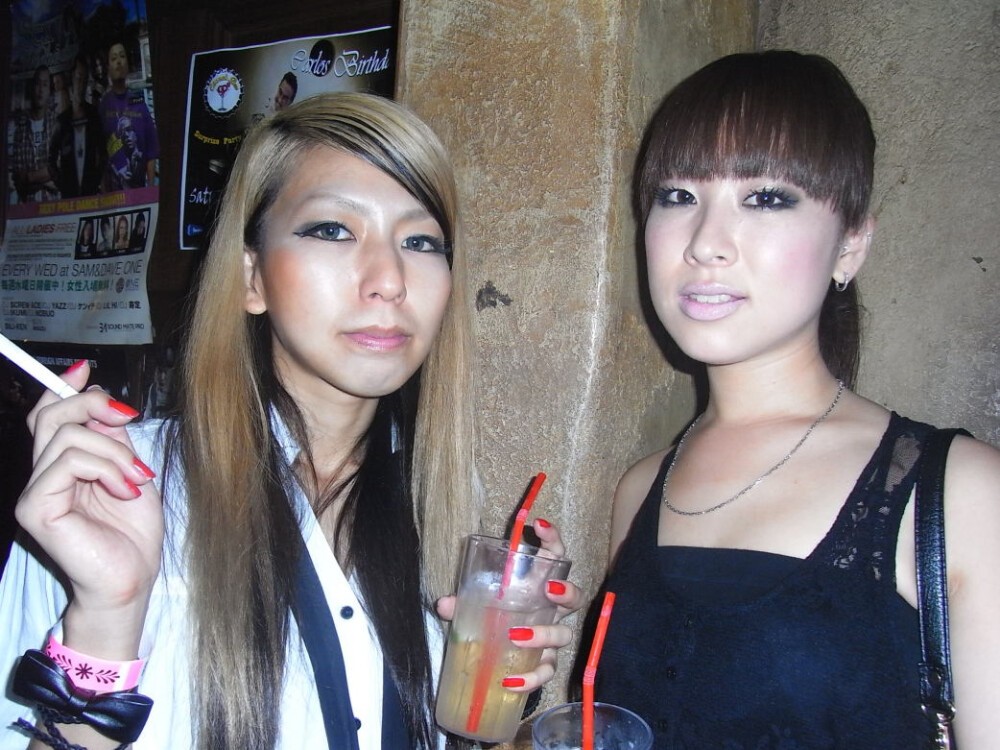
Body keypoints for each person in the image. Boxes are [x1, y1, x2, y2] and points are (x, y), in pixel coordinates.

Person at [0, 92, 579, 750]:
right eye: (332, 230)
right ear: (251, 277)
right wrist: (107, 612)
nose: (390, 279)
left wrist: (498, 692)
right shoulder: (113, 488)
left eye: (420, 241)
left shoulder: (443, 503)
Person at [589, 51, 1000, 749]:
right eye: (678, 196)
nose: (705, 244)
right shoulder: (639, 490)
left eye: (767, 198)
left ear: (851, 245)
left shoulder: (962, 492)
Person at [99, 41, 159, 190]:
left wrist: (150, 189)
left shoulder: (139, 104)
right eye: (114, 58)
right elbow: (99, 155)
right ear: (108, 68)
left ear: (128, 65)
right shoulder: (103, 106)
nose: (118, 62)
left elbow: (151, 152)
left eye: (122, 56)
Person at [49, 53, 105, 198]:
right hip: (69, 198)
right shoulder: (62, 121)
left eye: (85, 79)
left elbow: (103, 153)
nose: (81, 85)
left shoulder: (93, 115)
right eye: (79, 78)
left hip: (90, 195)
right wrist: (62, 185)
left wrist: (95, 182)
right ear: (72, 79)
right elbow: (51, 160)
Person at [10, 65, 59, 203]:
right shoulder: (20, 127)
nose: (40, 90)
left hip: (55, 206)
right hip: (28, 207)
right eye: (38, 84)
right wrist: (46, 178)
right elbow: (19, 180)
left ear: (49, 90)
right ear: (32, 88)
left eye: (45, 85)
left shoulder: (57, 123)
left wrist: (30, 177)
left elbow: (61, 171)